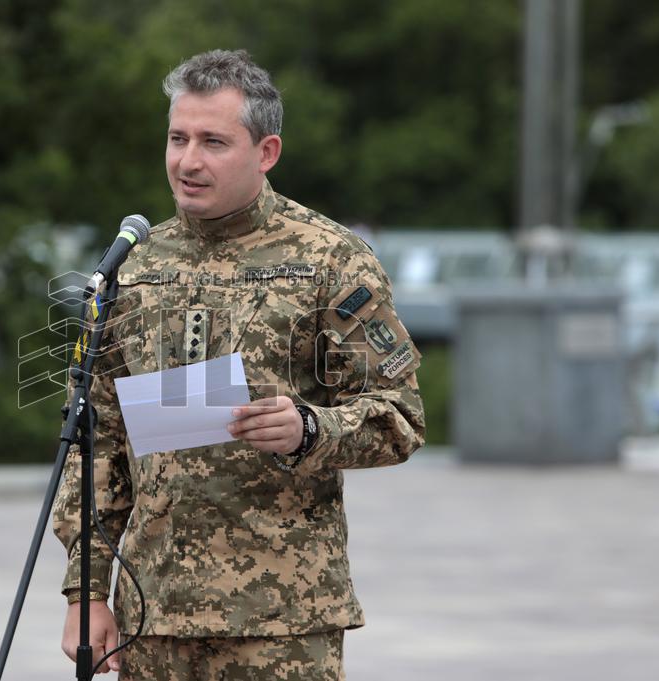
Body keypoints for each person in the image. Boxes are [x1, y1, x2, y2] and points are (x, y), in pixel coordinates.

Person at [53, 49, 425, 680]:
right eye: (178, 138)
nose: (188, 161)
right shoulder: (133, 267)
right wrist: (85, 591)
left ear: (266, 151)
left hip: (281, 621)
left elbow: (401, 417)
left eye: (213, 142)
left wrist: (309, 429)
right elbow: (97, 439)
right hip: (153, 616)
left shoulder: (330, 259)